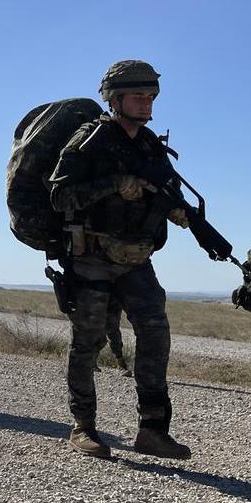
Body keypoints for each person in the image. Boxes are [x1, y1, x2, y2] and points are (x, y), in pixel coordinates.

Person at [48, 59, 193, 460]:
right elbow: (60, 196)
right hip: (92, 256)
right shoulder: (89, 140)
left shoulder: (149, 146)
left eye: (151, 97)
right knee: (88, 342)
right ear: (114, 99)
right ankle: (83, 426)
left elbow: (166, 191)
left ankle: (152, 430)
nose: (146, 104)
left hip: (137, 259)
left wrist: (176, 211)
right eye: (138, 96)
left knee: (155, 335)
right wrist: (115, 185)